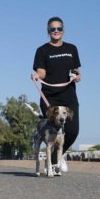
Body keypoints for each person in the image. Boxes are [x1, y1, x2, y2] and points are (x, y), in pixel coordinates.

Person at [32, 16, 81, 172]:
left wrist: (76, 75)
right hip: (50, 97)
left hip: (68, 96)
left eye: (59, 28)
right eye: (53, 29)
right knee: (51, 133)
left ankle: (57, 157)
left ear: (63, 30)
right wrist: (37, 76)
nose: (56, 31)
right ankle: (52, 163)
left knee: (72, 130)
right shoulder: (42, 50)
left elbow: (75, 69)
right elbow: (41, 72)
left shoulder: (71, 49)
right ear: (48, 31)